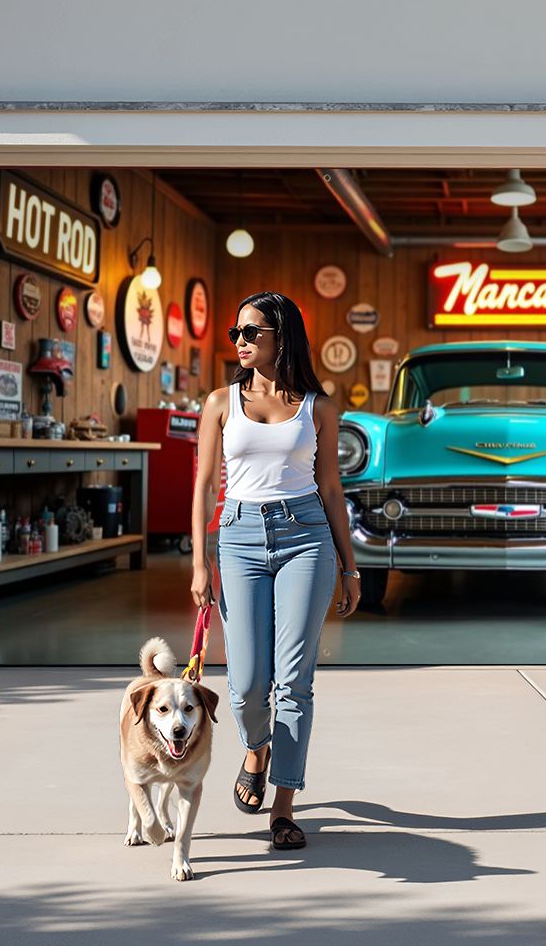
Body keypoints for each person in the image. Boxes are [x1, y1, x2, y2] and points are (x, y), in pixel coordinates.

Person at [190, 290, 361, 850]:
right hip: (238, 538)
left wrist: (350, 564)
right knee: (244, 686)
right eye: (236, 332)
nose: (239, 341)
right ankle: (256, 747)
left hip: (305, 536)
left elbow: (332, 488)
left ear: (281, 337)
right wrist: (199, 561)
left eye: (250, 332)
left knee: (293, 680)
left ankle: (284, 806)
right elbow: (204, 488)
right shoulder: (220, 402)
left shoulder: (319, 407)